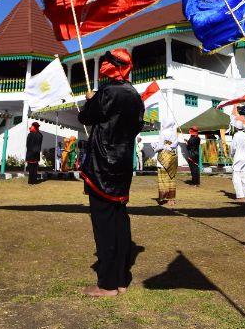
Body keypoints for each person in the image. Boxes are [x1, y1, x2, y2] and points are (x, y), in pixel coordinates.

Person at [76, 49, 144, 297]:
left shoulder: (106, 92)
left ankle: (107, 283)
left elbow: (86, 116)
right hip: (123, 163)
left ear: (111, 66)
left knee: (104, 223)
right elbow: (136, 126)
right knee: (119, 219)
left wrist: (90, 99)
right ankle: (122, 278)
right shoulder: (135, 95)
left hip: (102, 165)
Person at [155, 123, 179, 206]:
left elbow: (160, 146)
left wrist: (155, 147)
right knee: (171, 178)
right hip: (172, 157)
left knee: (162, 179)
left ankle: (163, 198)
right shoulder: (174, 133)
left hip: (163, 157)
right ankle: (171, 199)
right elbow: (175, 144)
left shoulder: (163, 133)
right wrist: (169, 147)